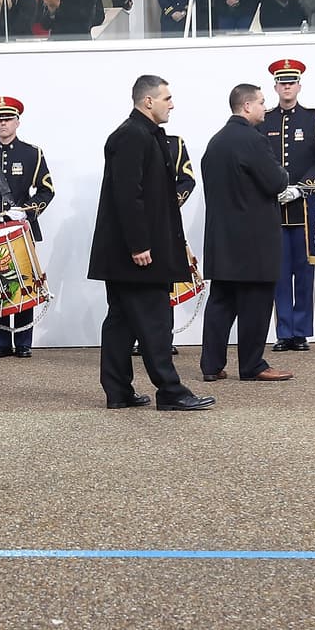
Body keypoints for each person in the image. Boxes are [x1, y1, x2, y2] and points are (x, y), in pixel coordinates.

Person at [88, 75, 215, 412]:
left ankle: (118, 391)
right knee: (156, 320)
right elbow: (129, 196)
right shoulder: (132, 136)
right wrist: (139, 245)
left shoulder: (143, 134)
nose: (171, 104)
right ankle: (170, 392)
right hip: (136, 254)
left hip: (127, 252)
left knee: (121, 322)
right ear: (148, 101)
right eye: (166, 98)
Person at [199, 83, 295, 383]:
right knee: (256, 303)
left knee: (221, 303)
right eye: (261, 102)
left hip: (221, 238)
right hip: (253, 240)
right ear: (246, 106)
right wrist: (284, 175)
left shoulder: (215, 142)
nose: (265, 108)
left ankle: (211, 365)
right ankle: (252, 365)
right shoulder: (253, 140)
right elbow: (276, 181)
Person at [0, 96, 55, 359]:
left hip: (19, 229)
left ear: (17, 122)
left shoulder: (32, 154)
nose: (3, 124)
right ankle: (2, 343)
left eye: (8, 119)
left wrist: (27, 211)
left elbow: (47, 189)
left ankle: (24, 342)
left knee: (23, 280)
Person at [259, 60, 315, 353]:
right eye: (282, 82)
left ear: (299, 86)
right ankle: (284, 331)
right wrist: (273, 188)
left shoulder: (314, 118)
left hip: (305, 210)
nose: (287, 86)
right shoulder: (263, 119)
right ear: (275, 86)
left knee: (304, 273)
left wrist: (302, 188)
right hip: (273, 210)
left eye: (292, 82)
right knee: (278, 274)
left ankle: (301, 332)